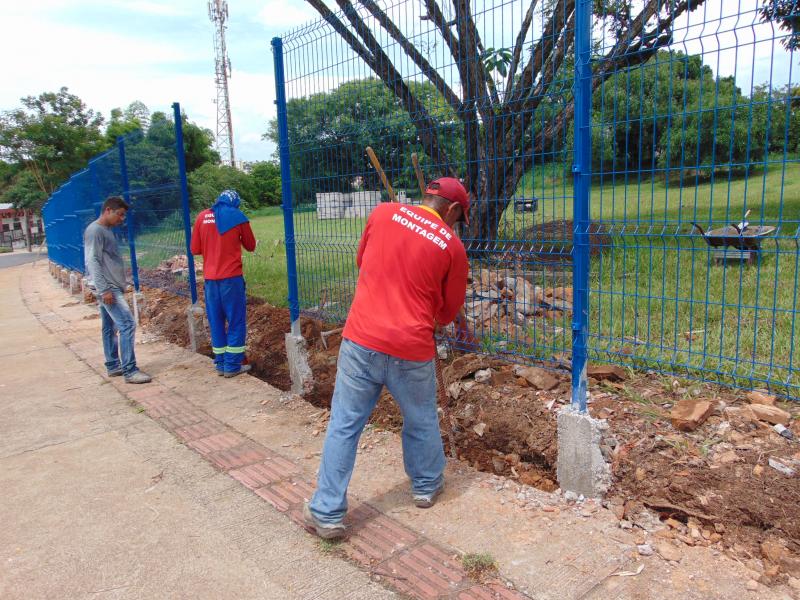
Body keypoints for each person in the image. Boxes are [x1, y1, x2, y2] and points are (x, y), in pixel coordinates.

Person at [304, 177, 470, 539]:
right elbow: (446, 314)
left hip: (361, 340)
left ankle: (327, 512)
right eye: (459, 218)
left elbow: (362, 261)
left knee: (345, 424)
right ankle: (426, 486)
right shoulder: (452, 247)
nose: (457, 224)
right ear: (454, 210)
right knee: (421, 417)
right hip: (411, 348)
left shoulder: (382, 213)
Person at [83, 196, 152, 384]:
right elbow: (92, 260)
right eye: (119, 214)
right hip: (108, 288)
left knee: (109, 326)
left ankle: (113, 365)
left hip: (109, 286)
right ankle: (130, 370)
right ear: (108, 210)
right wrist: (104, 289)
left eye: (123, 215)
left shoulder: (104, 230)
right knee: (127, 324)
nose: (122, 219)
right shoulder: (95, 231)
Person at [190, 189, 257, 378]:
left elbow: (194, 248)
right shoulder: (237, 216)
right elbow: (251, 246)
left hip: (210, 280)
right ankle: (232, 365)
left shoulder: (202, 217)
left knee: (216, 321)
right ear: (235, 202)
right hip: (231, 279)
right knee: (236, 320)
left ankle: (220, 363)